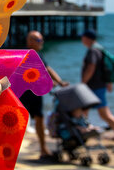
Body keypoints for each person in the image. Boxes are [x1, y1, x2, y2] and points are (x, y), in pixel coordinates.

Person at [80, 29, 114, 150]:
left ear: (87, 38)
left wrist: (82, 83)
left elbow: (91, 67)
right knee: (103, 114)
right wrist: (108, 82)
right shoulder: (100, 49)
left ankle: (82, 136)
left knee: (84, 112)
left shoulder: (93, 51)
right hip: (99, 86)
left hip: (92, 87)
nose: (81, 39)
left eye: (83, 37)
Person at [20, 30, 68, 159]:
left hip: (35, 94)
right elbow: (30, 74)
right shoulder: (27, 54)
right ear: (30, 41)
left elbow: (47, 69)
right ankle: (1, 148)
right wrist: (49, 82)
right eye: (38, 40)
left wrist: (60, 81)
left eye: (42, 40)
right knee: (17, 122)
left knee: (39, 120)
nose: (42, 42)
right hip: (24, 94)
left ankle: (43, 148)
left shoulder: (38, 54)